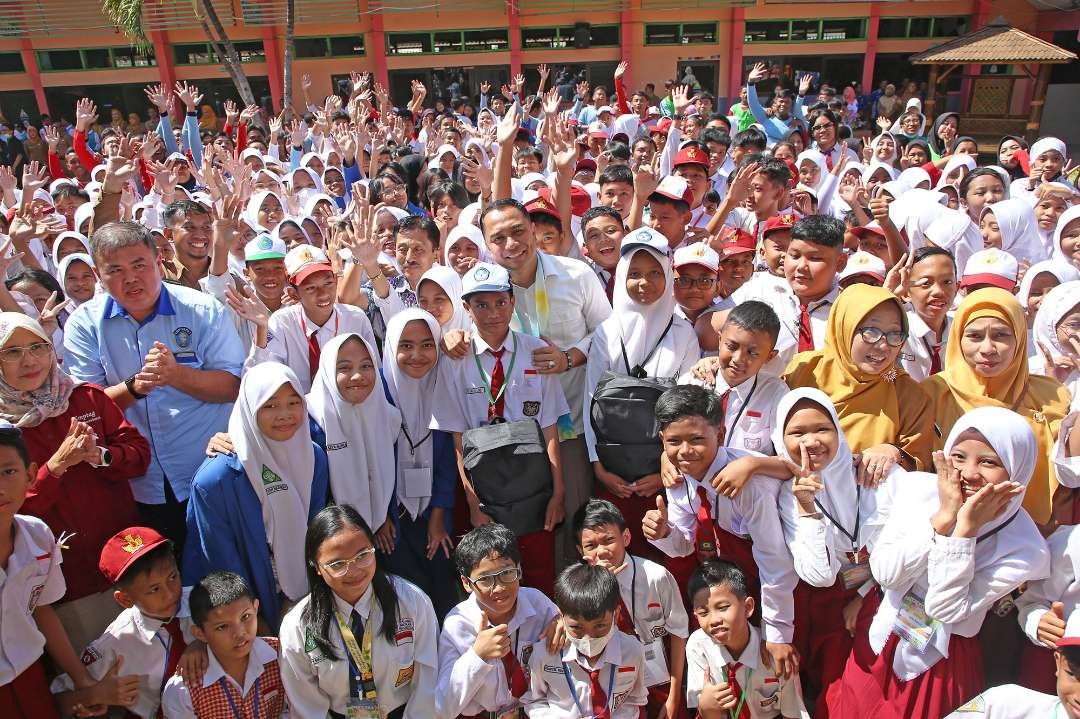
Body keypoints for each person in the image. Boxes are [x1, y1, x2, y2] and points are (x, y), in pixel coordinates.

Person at [829, 407, 1051, 719]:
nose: (969, 473)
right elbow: (887, 574)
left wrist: (964, 532)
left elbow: (944, 610)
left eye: (989, 462)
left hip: (941, 662)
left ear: (1018, 470)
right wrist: (943, 518)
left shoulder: (1024, 548)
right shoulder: (917, 490)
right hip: (880, 635)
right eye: (958, 457)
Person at [62, 221, 245, 549]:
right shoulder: (84, 324)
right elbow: (85, 407)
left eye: (139, 265)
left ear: (159, 262)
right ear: (97, 273)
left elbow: (232, 385)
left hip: (207, 469)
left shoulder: (201, 310)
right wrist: (134, 387)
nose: (130, 278)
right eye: (115, 269)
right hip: (137, 483)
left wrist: (176, 375)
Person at [4, 312, 151, 652]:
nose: (28, 361)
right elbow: (11, 512)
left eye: (37, 347)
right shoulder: (4, 428)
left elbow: (139, 455)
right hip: (67, 584)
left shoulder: (85, 398)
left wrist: (102, 456)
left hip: (128, 562)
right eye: (12, 352)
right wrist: (53, 469)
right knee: (98, 679)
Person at [478, 198, 611, 569]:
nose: (511, 244)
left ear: (533, 231)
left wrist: (569, 357)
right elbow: (459, 331)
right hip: (511, 437)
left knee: (573, 521)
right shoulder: (483, 289)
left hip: (569, 425)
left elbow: (607, 334)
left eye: (518, 231)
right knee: (519, 532)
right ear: (487, 245)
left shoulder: (576, 275)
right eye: (498, 238)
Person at [431, 262, 569, 596]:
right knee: (491, 570)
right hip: (484, 484)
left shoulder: (536, 350)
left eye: (500, 302)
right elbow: (457, 436)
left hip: (532, 480)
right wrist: (472, 500)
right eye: (481, 304)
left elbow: (550, 426)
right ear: (466, 308)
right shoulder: (455, 359)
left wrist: (558, 491)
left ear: (513, 302)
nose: (492, 313)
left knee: (537, 567)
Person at [643, 384, 800, 677]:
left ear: (720, 434)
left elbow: (775, 561)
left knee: (775, 671)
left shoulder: (748, 485)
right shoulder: (679, 478)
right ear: (662, 440)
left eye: (697, 439)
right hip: (730, 582)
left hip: (778, 586)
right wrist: (665, 533)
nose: (685, 451)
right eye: (674, 441)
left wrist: (778, 634)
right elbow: (686, 544)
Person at [773, 388, 901, 715]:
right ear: (779, 437)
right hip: (827, 608)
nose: (811, 441)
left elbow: (913, 545)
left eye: (821, 429)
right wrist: (809, 510)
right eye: (797, 432)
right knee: (836, 696)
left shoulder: (877, 473)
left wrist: (868, 595)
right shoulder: (788, 495)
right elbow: (819, 575)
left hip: (889, 597)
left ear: (838, 431)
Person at [183, 362, 329, 630]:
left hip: (307, 598)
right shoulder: (217, 479)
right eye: (270, 405)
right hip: (251, 611)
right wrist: (253, 621)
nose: (284, 414)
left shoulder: (314, 457)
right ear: (249, 409)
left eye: (293, 402)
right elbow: (220, 561)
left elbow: (316, 530)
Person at [584, 230, 699, 550]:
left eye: (654, 273)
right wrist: (598, 466)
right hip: (613, 474)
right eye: (634, 274)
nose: (644, 283)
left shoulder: (683, 333)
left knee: (662, 548)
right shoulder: (608, 332)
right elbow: (589, 401)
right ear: (621, 277)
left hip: (663, 473)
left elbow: (687, 408)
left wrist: (669, 464)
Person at [921, 288, 1071, 532]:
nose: (988, 348)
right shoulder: (933, 393)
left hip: (1033, 534)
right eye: (975, 336)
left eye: (1001, 335)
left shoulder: (1050, 395)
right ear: (958, 337)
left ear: (1020, 338)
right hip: (947, 529)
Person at [278, 503, 438, 718]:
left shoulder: (412, 602)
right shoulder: (297, 626)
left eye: (362, 555)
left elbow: (427, 682)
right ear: (316, 567)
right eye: (337, 564)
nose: (353, 571)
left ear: (374, 547)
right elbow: (306, 706)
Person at [0, 421, 108, 719]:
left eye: (8, 472)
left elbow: (41, 609)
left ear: (31, 475)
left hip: (28, 677)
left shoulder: (38, 536)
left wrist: (81, 679)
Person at [785, 283, 935, 478]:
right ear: (844, 328)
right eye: (871, 332)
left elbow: (920, 464)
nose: (883, 345)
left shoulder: (908, 394)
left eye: (894, 334)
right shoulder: (804, 371)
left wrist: (894, 452)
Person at [57, 526, 197, 718]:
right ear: (125, 600)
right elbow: (58, 699)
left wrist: (202, 644)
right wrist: (94, 694)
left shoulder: (203, 602)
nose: (170, 593)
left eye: (173, 577)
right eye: (154, 589)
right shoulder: (116, 641)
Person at [575, 498, 690, 718]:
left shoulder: (656, 577)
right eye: (591, 546)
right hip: (613, 688)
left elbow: (678, 632)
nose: (602, 551)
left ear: (626, 537)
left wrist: (674, 694)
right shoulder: (579, 589)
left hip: (659, 682)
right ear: (580, 549)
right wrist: (603, 588)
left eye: (609, 540)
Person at [379, 311, 459, 619]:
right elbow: (371, 464)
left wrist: (438, 517)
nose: (417, 355)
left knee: (441, 590)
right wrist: (380, 516)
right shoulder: (377, 398)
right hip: (391, 522)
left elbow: (448, 463)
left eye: (427, 345)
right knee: (405, 597)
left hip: (434, 516)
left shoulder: (443, 386)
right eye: (406, 345)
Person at [436, 523, 559, 718]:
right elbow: (443, 707)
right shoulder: (458, 624)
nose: (499, 587)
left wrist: (562, 623)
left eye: (507, 573)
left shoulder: (538, 603)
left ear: (519, 570)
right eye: (485, 579)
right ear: (466, 583)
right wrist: (477, 655)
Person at [241, 244, 377, 393]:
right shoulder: (282, 322)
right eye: (311, 288)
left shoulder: (355, 318)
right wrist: (262, 329)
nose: (323, 294)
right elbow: (261, 378)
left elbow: (375, 369)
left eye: (328, 283)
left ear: (336, 281)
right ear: (293, 294)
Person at [685, 559, 808, 718]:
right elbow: (706, 713)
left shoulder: (775, 653)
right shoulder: (698, 646)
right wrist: (708, 708)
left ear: (748, 607)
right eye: (703, 613)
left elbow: (793, 714)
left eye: (722, 608)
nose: (714, 620)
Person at [523, 562, 648, 717]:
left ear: (616, 614)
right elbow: (534, 701)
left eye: (600, 626)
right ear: (561, 615)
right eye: (577, 628)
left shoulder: (632, 651)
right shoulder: (545, 654)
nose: (588, 638)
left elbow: (634, 699)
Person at [160, 570, 288, 718]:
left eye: (246, 617)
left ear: (256, 608)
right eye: (222, 627)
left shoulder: (282, 655)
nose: (239, 633)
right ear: (200, 633)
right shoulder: (183, 691)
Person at [691, 300, 789, 454]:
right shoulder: (693, 382)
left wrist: (751, 466)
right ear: (719, 339)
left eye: (752, 353)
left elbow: (787, 456)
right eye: (731, 346)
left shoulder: (775, 392)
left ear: (769, 356)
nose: (738, 359)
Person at [895, 246, 958, 382]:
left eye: (947, 282)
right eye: (926, 283)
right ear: (906, 292)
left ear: (957, 288)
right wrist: (888, 295)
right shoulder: (896, 330)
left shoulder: (962, 329)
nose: (938, 291)